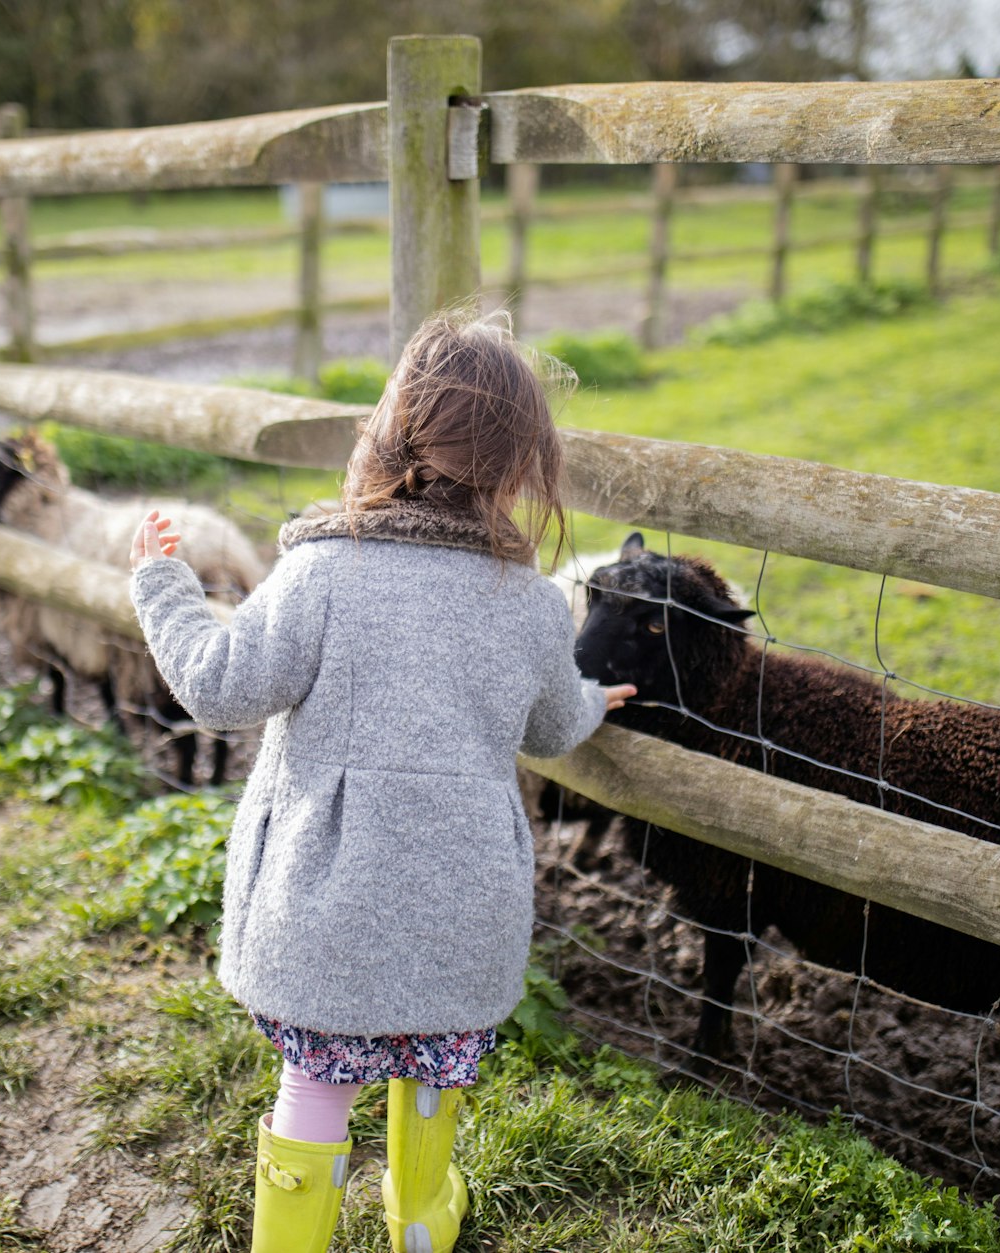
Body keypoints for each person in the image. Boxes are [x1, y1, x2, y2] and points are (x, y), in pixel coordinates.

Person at [127, 309, 633, 1253]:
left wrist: (164, 585)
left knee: (317, 1085)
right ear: (520, 463)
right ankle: (420, 1221)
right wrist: (601, 698)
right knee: (430, 1061)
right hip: (461, 911)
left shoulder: (323, 571)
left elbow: (218, 687)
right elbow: (557, 724)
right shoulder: (526, 602)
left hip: (330, 912)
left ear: (390, 431)